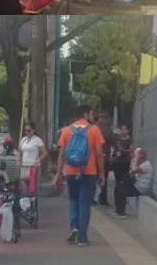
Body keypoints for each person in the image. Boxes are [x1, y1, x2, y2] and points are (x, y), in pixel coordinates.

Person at [55, 105, 105, 247]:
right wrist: (102, 174)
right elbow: (100, 154)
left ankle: (74, 227)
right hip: (89, 172)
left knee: (73, 200)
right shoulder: (94, 130)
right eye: (92, 113)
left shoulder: (66, 131)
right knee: (84, 203)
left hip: (71, 172)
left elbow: (61, 154)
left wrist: (58, 174)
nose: (93, 116)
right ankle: (82, 238)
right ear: (85, 114)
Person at [111, 148, 152, 219]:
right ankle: (119, 211)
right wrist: (135, 159)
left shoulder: (146, 165)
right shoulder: (141, 165)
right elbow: (130, 174)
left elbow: (133, 171)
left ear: (141, 157)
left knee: (121, 187)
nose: (133, 158)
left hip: (140, 189)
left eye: (135, 157)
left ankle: (121, 213)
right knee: (119, 187)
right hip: (136, 186)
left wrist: (136, 158)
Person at [109, 124, 135, 217]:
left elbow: (132, 151)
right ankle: (117, 208)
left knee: (121, 185)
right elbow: (114, 149)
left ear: (128, 130)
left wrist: (123, 150)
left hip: (125, 164)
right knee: (117, 185)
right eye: (122, 129)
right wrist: (112, 157)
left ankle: (121, 210)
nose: (123, 131)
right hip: (117, 163)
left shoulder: (130, 141)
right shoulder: (118, 140)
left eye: (125, 129)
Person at [93, 111, 117, 206]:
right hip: (104, 158)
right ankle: (102, 200)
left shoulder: (92, 128)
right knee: (103, 180)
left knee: (92, 179)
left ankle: (92, 199)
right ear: (106, 119)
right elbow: (114, 143)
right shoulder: (108, 130)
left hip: (92, 159)